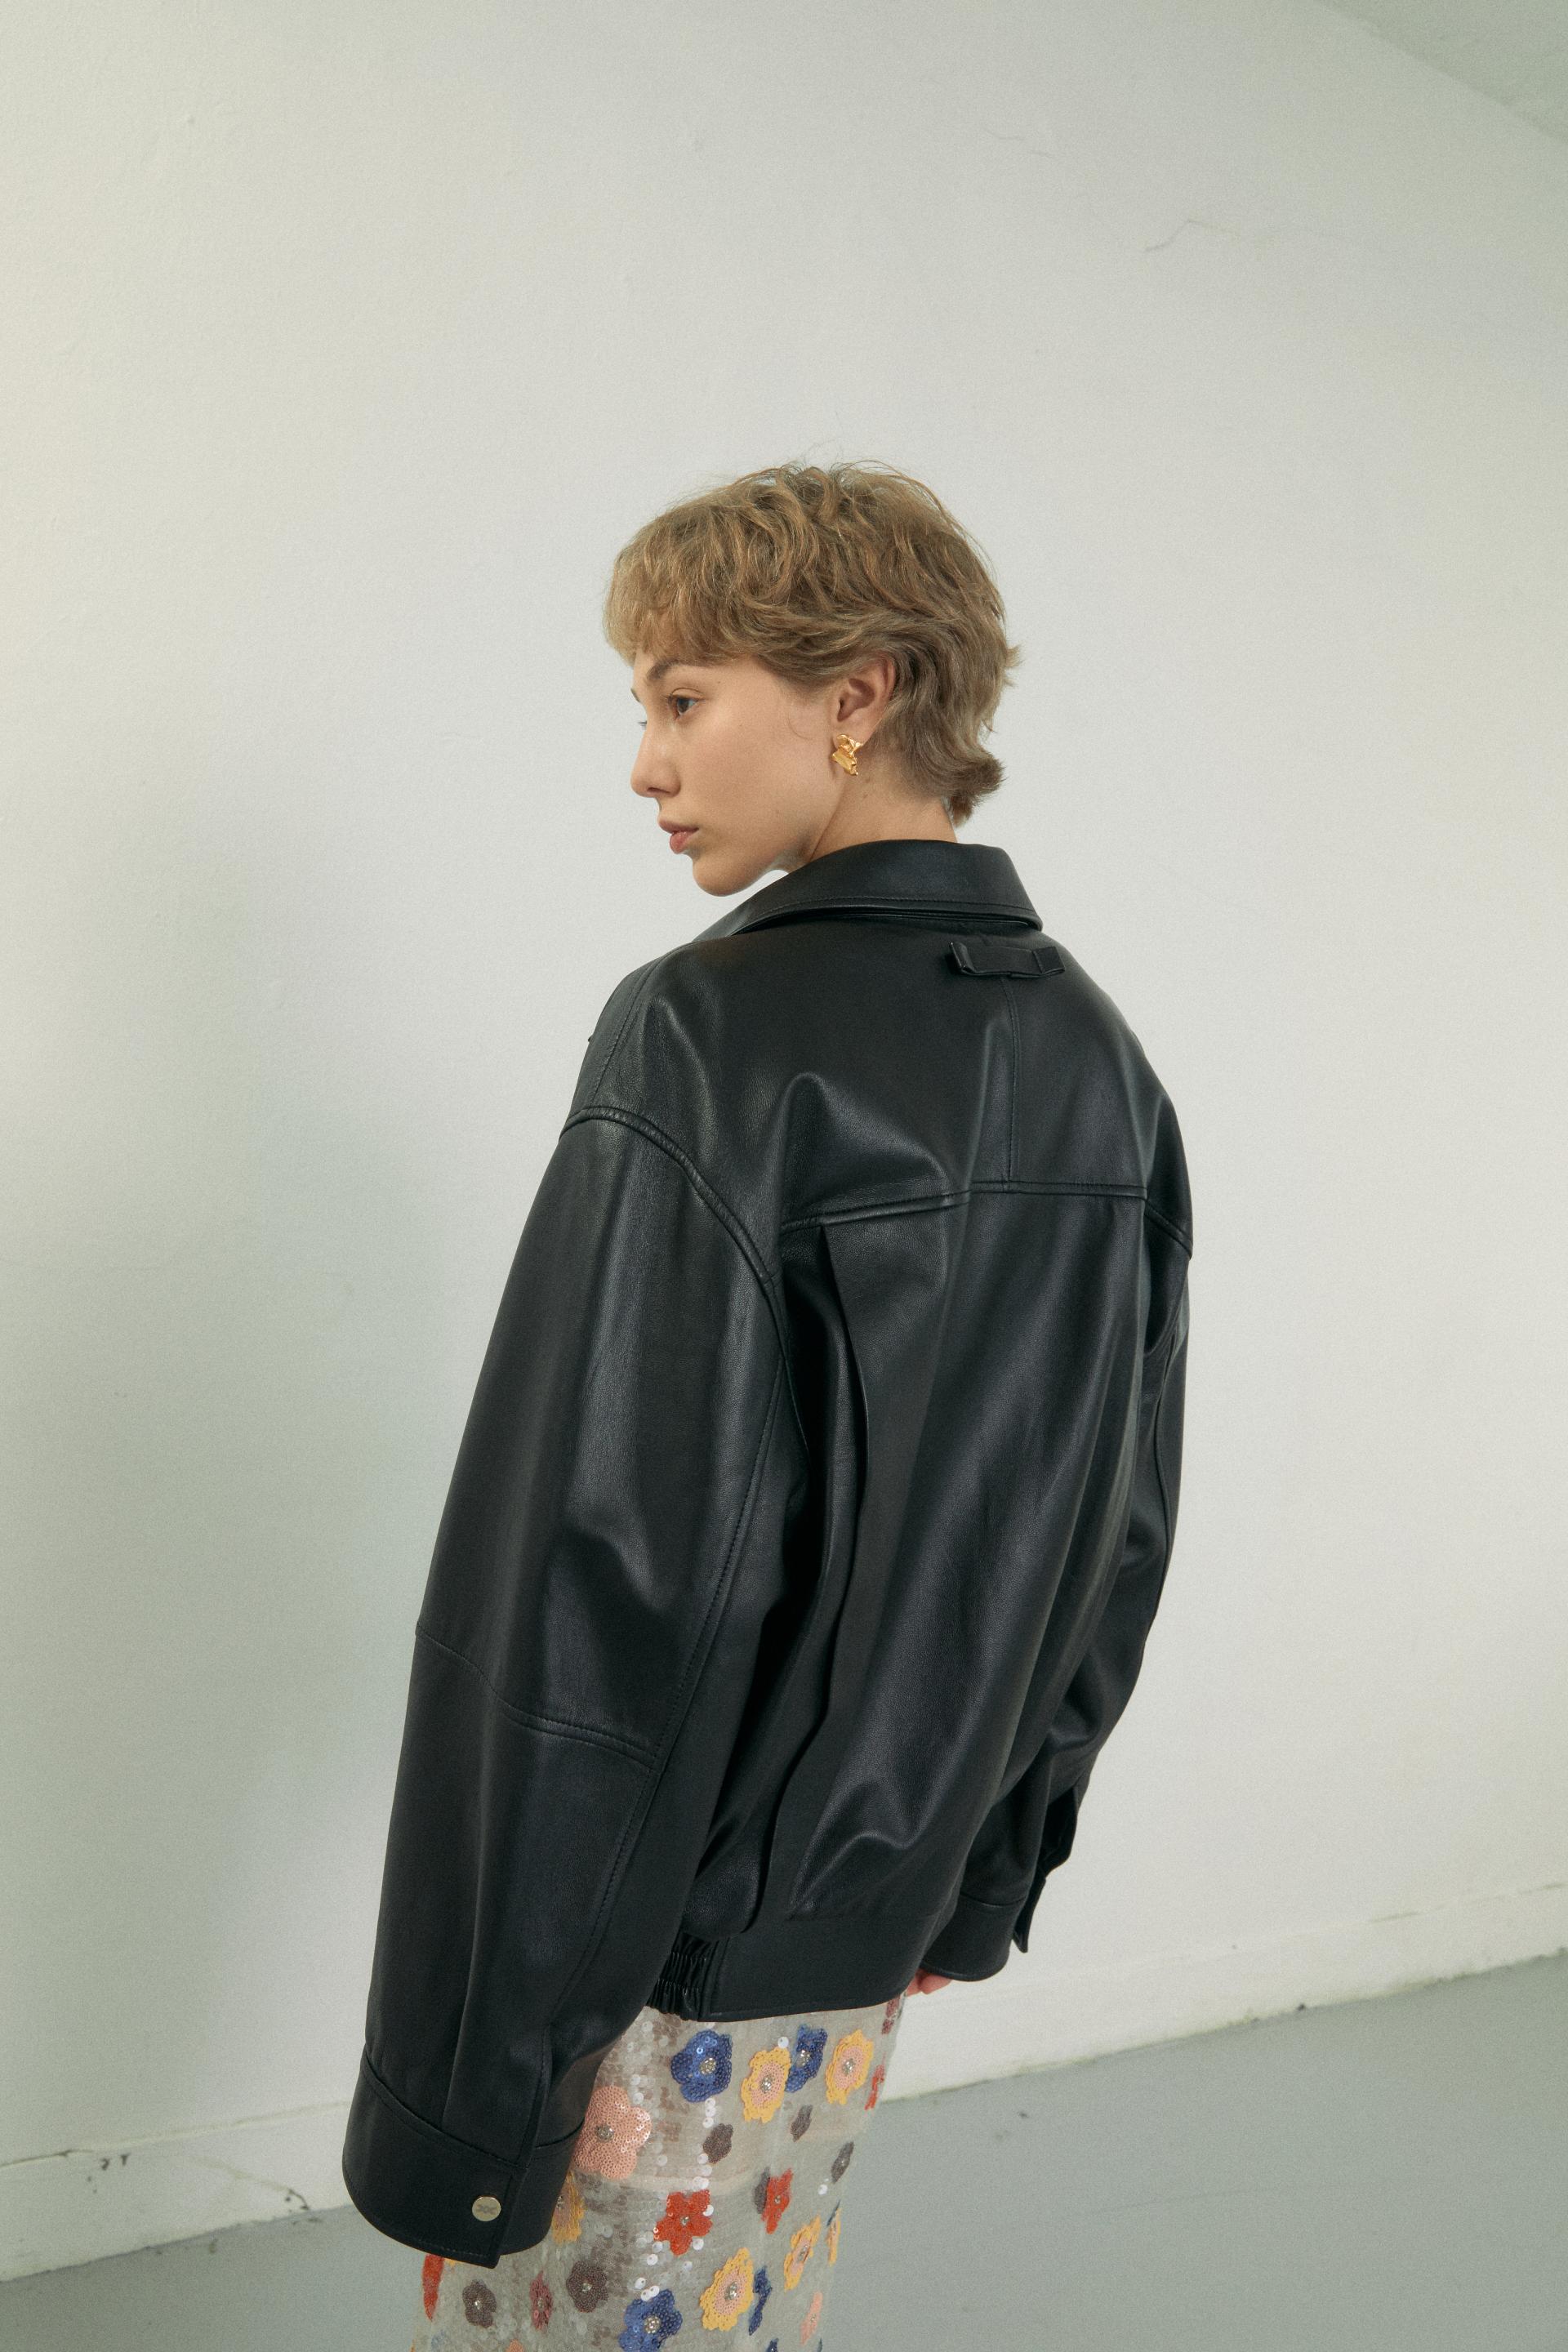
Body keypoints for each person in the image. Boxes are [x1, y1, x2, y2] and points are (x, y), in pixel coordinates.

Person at [341, 460, 1193, 2351]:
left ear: (858, 692)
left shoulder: (710, 1035)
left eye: (680, 696)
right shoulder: (1096, 1056)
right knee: (744, 2305)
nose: (645, 764)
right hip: (860, 1932)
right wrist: (979, 1875)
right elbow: (1112, 1529)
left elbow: (600, 1584)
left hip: (643, 1955)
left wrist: (496, 2061)